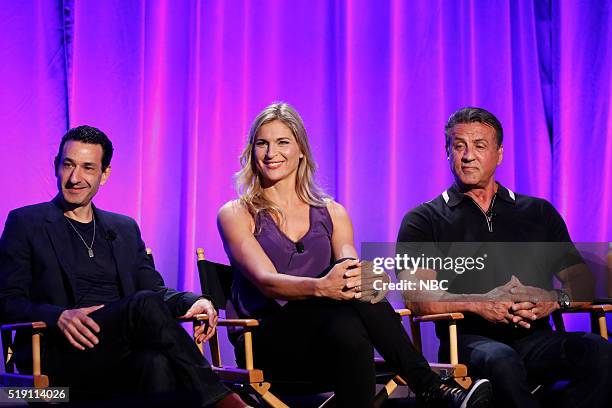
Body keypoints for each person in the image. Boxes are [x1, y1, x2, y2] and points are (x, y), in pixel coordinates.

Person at [217, 102, 492, 407]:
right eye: (262, 143)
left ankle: (430, 390)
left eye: (283, 142)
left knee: (351, 319)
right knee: (348, 313)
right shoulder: (236, 213)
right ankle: (431, 388)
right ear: (252, 152)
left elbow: (348, 265)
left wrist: (370, 278)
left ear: (301, 151)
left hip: (327, 341)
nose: (271, 153)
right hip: (268, 343)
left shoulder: (333, 212)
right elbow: (267, 281)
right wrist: (323, 286)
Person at [0, 126, 247, 407]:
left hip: (118, 353)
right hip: (60, 354)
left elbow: (153, 291)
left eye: (88, 168)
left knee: (156, 363)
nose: (74, 178)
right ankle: (222, 399)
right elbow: (7, 300)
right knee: (142, 306)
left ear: (104, 174)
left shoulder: (124, 228)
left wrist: (194, 301)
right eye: (67, 165)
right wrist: (59, 316)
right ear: (56, 166)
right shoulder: (25, 223)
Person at [396, 107, 612, 408]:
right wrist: (480, 303)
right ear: (447, 153)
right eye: (459, 146)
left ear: (499, 154)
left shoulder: (538, 212)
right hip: (469, 342)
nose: (468, 155)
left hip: (535, 339)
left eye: (479, 146)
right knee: (502, 359)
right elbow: (416, 296)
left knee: (598, 351)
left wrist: (552, 299)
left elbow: (582, 282)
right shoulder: (424, 219)